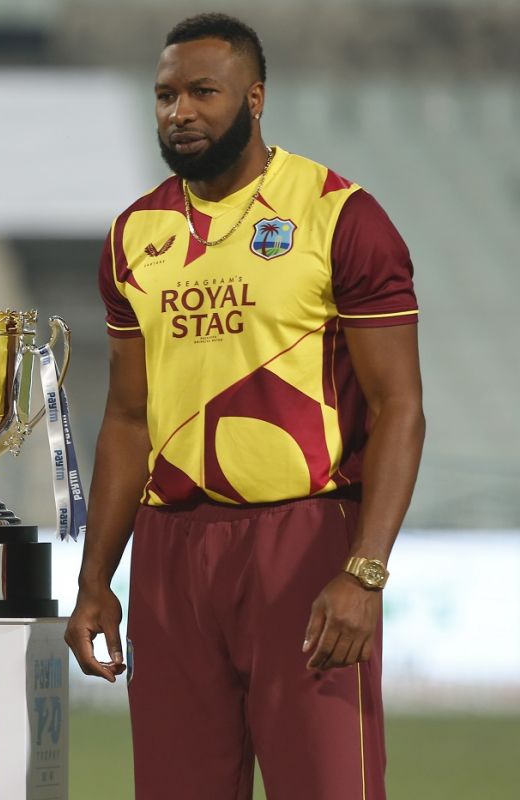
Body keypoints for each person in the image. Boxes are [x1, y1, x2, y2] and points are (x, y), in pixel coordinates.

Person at [65, 14, 424, 799]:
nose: (179, 112)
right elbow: (128, 419)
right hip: (170, 557)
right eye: (165, 96)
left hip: (303, 544)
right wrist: (97, 580)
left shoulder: (339, 215)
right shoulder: (133, 235)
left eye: (203, 92)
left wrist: (363, 574)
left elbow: (401, 408)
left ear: (254, 99)